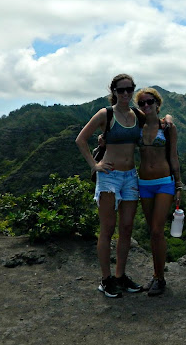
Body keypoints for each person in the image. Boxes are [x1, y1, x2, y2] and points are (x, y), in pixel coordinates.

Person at [75, 73, 145, 298]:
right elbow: (80, 139)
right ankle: (106, 279)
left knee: (126, 228)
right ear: (113, 91)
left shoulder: (138, 115)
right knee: (107, 228)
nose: (125, 93)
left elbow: (157, 124)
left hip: (131, 176)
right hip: (109, 177)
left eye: (129, 89)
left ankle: (120, 276)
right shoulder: (106, 114)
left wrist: (169, 118)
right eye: (121, 90)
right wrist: (94, 165)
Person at [134, 87, 182, 296]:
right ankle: (156, 275)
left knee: (156, 230)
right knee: (152, 232)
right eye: (142, 103)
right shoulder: (137, 126)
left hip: (164, 183)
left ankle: (160, 278)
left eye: (150, 101)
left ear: (157, 104)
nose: (146, 105)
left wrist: (178, 185)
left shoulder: (167, 127)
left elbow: (173, 156)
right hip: (144, 183)